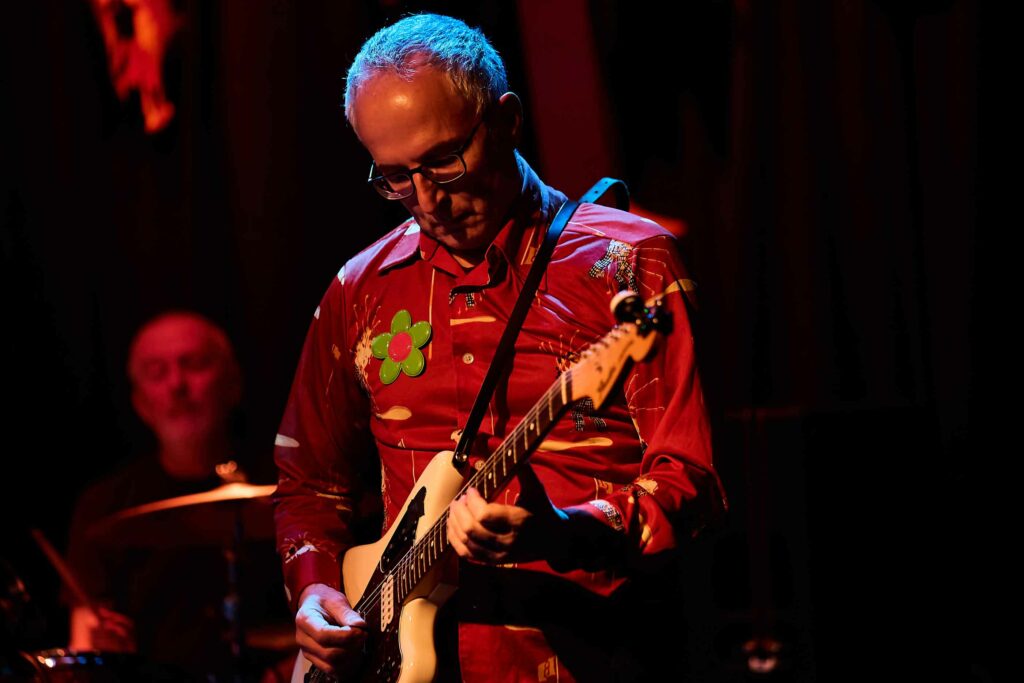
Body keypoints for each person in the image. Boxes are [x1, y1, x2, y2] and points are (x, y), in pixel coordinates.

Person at [273, 13, 726, 682]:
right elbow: (309, 480)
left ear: (509, 120)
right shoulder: (358, 289)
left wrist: (567, 530)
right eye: (395, 177)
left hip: (594, 654)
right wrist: (315, 588)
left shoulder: (630, 263)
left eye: (444, 161)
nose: (427, 201)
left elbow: (694, 480)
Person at [64, 311, 288, 680]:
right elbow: (84, 641)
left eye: (195, 365)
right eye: (156, 372)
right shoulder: (103, 505)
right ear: (139, 401)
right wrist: (102, 651)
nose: (177, 385)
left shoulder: (294, 485)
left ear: (233, 383)